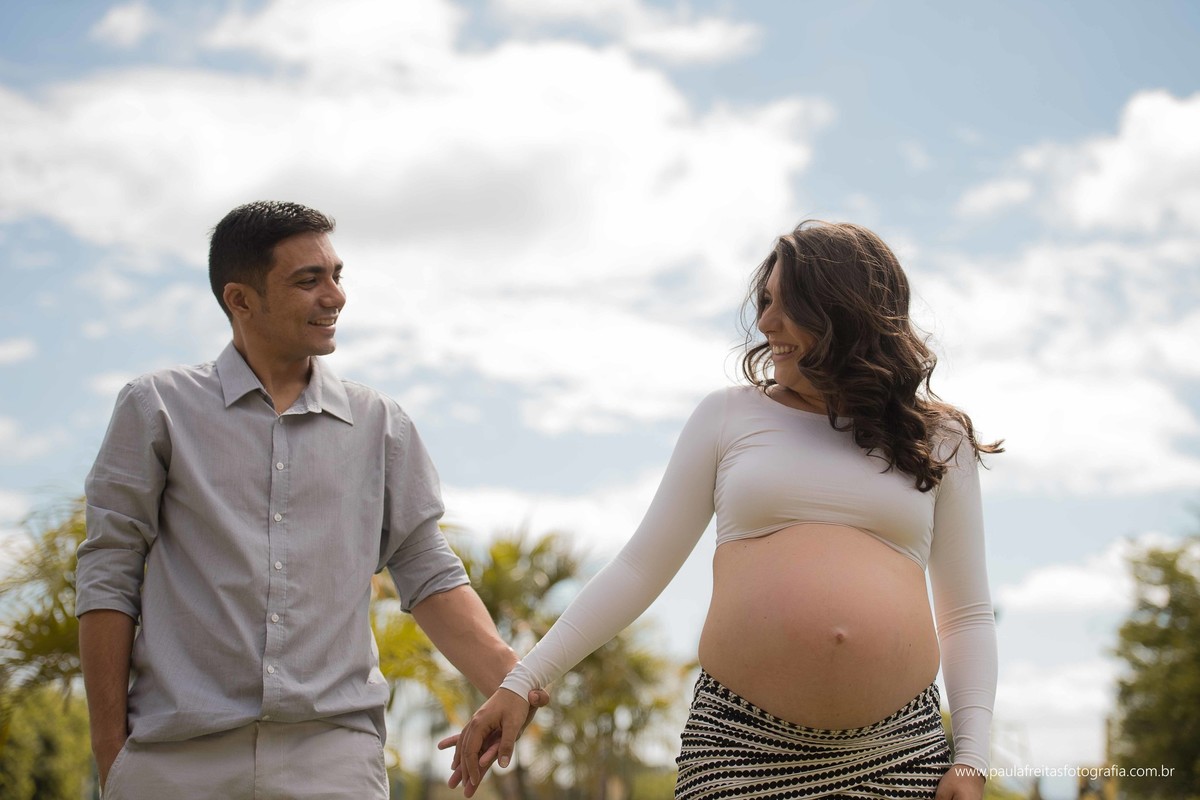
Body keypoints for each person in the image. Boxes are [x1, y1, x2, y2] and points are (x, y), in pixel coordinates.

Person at [448, 221, 1000, 800]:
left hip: (898, 755)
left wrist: (971, 759)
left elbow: (965, 615)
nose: (765, 323)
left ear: (846, 312)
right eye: (764, 303)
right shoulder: (727, 417)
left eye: (789, 306)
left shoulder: (939, 439)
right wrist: (522, 680)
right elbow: (640, 568)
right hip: (738, 750)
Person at [76, 200, 545, 800]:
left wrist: (511, 680)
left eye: (336, 275)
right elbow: (109, 573)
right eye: (308, 280)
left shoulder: (380, 425)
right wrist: (111, 753)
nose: (336, 296)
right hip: (175, 761)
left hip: (334, 763)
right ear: (240, 300)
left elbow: (427, 570)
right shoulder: (156, 408)